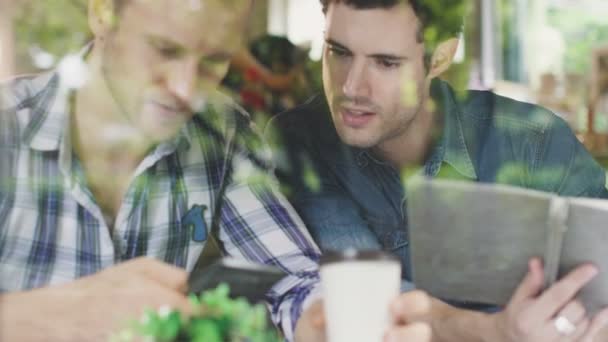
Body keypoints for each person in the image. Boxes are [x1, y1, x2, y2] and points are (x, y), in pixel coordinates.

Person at [0, 0, 435, 341]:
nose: (186, 89)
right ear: (102, 13)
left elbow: (292, 280)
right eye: (164, 49)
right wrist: (56, 317)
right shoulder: (8, 128)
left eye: (213, 61)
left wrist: (330, 323)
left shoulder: (220, 132)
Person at [267, 0, 608, 341]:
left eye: (386, 62)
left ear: (441, 57)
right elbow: (364, 300)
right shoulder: (300, 142)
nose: (351, 88)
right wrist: (497, 332)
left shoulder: (536, 143)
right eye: (339, 52)